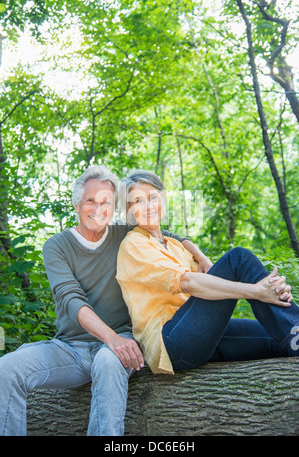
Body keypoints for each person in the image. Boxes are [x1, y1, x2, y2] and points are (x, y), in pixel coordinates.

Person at [0, 165, 206, 436]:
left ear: (114, 207)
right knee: (7, 367)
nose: (98, 209)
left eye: (106, 202)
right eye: (90, 201)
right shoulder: (57, 246)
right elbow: (71, 300)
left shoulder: (125, 236)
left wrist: (200, 256)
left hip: (120, 343)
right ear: (77, 204)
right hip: (71, 349)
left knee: (108, 362)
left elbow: (169, 237)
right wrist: (111, 338)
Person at [116, 170, 299, 375]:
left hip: (200, 333)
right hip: (170, 341)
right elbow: (189, 283)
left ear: (163, 199)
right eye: (138, 201)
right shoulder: (133, 245)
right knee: (238, 259)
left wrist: (276, 293)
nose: (148, 206)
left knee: (280, 342)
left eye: (153, 197)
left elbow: (211, 280)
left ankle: (294, 328)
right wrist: (256, 291)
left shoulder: (176, 246)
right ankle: (296, 325)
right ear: (129, 210)